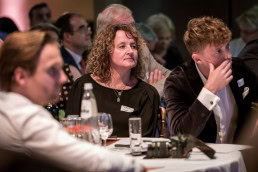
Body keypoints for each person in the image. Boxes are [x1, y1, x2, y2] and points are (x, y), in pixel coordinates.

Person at [0, 31, 144, 172]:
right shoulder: (25, 117)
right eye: (52, 70)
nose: (63, 78)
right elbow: (87, 159)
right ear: (20, 76)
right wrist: (137, 166)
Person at [164, 16, 256, 143]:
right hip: (200, 159)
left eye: (227, 47)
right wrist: (209, 90)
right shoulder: (177, 82)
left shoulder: (238, 68)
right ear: (197, 59)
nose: (228, 56)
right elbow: (180, 136)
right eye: (219, 51)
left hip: (239, 156)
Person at [66, 24, 160, 137]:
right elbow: (72, 130)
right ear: (107, 51)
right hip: (91, 152)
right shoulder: (83, 85)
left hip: (129, 154)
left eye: (133, 46)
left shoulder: (146, 93)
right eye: (122, 46)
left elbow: (145, 140)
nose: (130, 51)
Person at [96, 4, 171, 95]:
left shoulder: (142, 50)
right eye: (126, 26)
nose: (134, 31)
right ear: (107, 33)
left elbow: (169, 77)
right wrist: (149, 92)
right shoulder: (96, 62)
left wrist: (153, 90)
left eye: (133, 25)